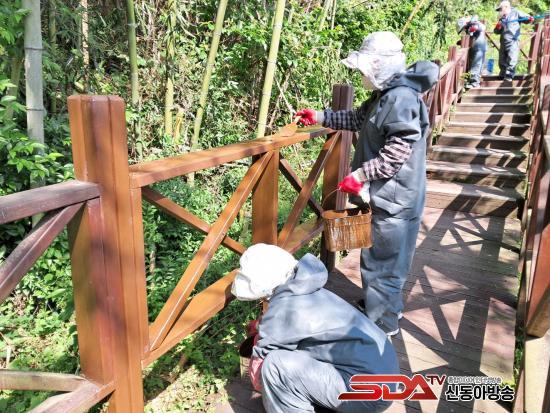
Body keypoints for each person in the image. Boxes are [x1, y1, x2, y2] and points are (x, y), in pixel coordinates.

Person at [296, 31, 438, 337]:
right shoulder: (385, 95)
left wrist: (359, 176)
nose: (361, 76)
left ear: (378, 66)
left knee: (385, 262)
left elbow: (396, 154)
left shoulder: (400, 98)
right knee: (382, 258)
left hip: (397, 199)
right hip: (390, 195)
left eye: (363, 69)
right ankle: (383, 308)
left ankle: (383, 324)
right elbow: (357, 120)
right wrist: (319, 116)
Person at [231, 243, 399, 413]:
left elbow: (259, 373)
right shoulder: (309, 291)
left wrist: (261, 342)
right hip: (385, 378)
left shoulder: (284, 309)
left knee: (274, 366)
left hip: (368, 391)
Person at [494, 0, 534, 81]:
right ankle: (502, 74)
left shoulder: (516, 12)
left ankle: (509, 76)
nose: (500, 11)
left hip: (513, 41)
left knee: (512, 58)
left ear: (506, 7)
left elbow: (527, 19)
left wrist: (530, 19)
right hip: (503, 41)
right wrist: (498, 27)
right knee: (502, 59)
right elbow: (496, 32)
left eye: (500, 9)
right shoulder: (502, 19)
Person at [457, 15, 487, 88]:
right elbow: (472, 36)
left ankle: (474, 83)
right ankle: (475, 82)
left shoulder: (475, 24)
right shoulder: (473, 25)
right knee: (478, 65)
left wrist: (474, 27)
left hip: (478, 47)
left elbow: (481, 28)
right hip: (479, 46)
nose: (464, 30)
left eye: (464, 28)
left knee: (476, 65)